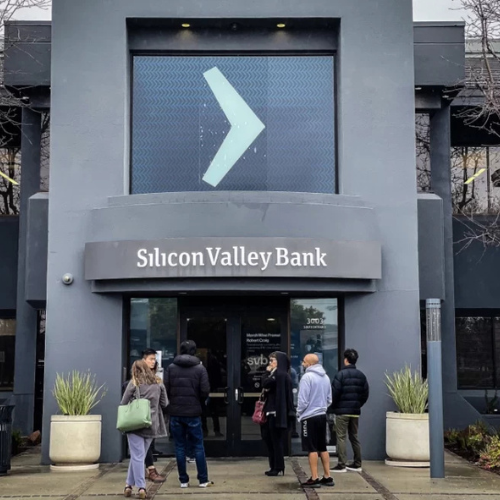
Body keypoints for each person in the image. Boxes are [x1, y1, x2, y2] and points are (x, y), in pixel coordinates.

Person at [165, 340, 213, 488]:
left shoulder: (171, 368)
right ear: (194, 351)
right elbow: (205, 391)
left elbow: (165, 389)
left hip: (176, 412)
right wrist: (199, 402)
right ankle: (203, 480)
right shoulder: (200, 368)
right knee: (198, 446)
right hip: (193, 412)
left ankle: (183, 480)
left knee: (179, 447)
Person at [121, 360, 168, 499]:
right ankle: (128, 485)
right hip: (151, 424)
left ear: (134, 370)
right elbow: (165, 403)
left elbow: (123, 402)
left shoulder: (134, 383)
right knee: (139, 456)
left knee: (137, 456)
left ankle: (141, 487)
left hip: (135, 424)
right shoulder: (158, 383)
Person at [297, 354, 334, 488]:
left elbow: (303, 400)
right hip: (322, 415)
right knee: (322, 447)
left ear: (310, 364)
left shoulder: (307, 377)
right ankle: (327, 476)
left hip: (309, 417)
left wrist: (299, 413)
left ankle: (314, 478)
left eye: (304, 362)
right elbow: (329, 399)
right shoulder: (326, 377)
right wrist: (322, 408)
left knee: (311, 448)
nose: (303, 364)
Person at [330, 349, 369, 473]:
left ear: (345, 360)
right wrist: (357, 405)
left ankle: (341, 464)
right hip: (355, 411)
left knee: (341, 437)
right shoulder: (361, 376)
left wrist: (334, 407)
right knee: (354, 437)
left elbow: (334, 393)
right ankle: (357, 463)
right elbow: (365, 394)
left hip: (342, 411)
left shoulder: (340, 375)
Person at [261, 351, 294, 477]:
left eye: (272, 360)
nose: (270, 363)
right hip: (271, 411)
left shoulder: (279, 375)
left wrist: (266, 372)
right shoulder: (278, 375)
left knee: (275, 440)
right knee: (269, 439)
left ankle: (277, 466)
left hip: (276, 412)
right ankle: (274, 465)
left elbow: (266, 383)